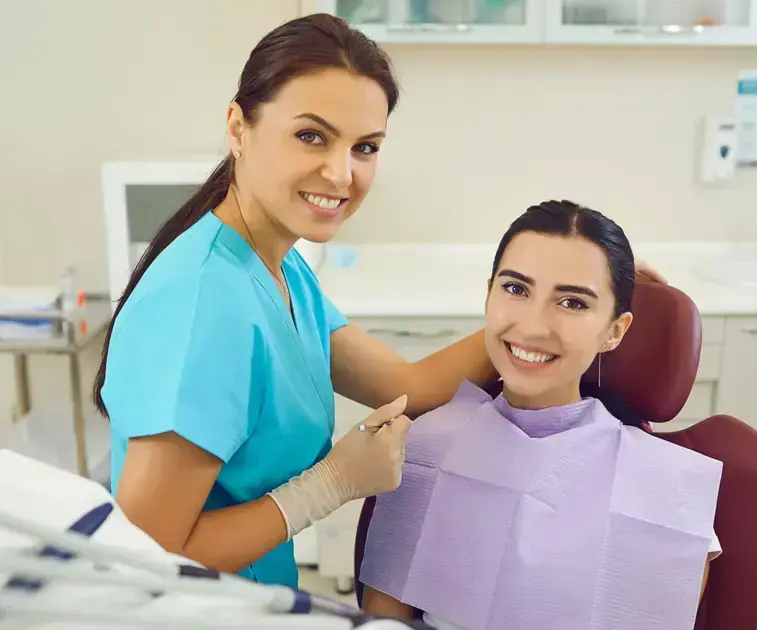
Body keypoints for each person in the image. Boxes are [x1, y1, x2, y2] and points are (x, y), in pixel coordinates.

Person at [93, 14, 667, 590]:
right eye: (311, 135)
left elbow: (408, 386)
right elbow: (142, 553)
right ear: (239, 128)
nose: (341, 173)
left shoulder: (277, 266)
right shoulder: (204, 304)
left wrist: (527, 316)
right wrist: (328, 485)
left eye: (364, 147)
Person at [360, 200, 722, 630]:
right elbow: (383, 623)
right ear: (488, 294)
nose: (533, 326)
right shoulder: (424, 447)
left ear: (616, 330)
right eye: (516, 289)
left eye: (572, 302)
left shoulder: (663, 492)